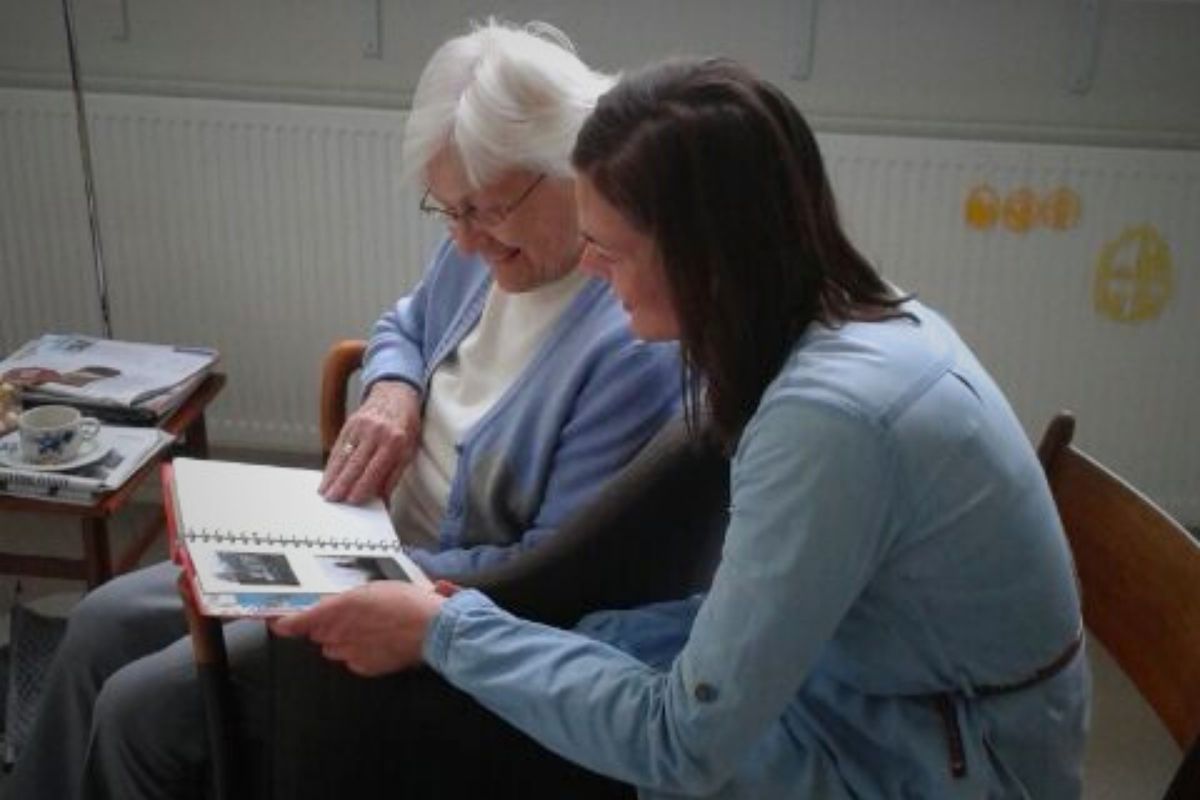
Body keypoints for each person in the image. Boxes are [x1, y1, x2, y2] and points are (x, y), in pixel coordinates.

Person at [273, 58, 1090, 798]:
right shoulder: (848, 311)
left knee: (464, 715)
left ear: (704, 254)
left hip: (947, 760)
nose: (589, 269)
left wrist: (451, 633)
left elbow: (682, 742)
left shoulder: (827, 424)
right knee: (560, 654)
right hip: (893, 689)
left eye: (609, 247)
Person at [7, 21, 680, 800]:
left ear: (567, 165)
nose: (462, 241)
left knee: (140, 708)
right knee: (100, 622)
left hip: (419, 595)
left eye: (483, 210)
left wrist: (355, 574)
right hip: (351, 540)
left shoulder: (629, 341)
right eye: (447, 210)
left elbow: (553, 571)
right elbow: (403, 326)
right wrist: (396, 390)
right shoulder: (491, 248)